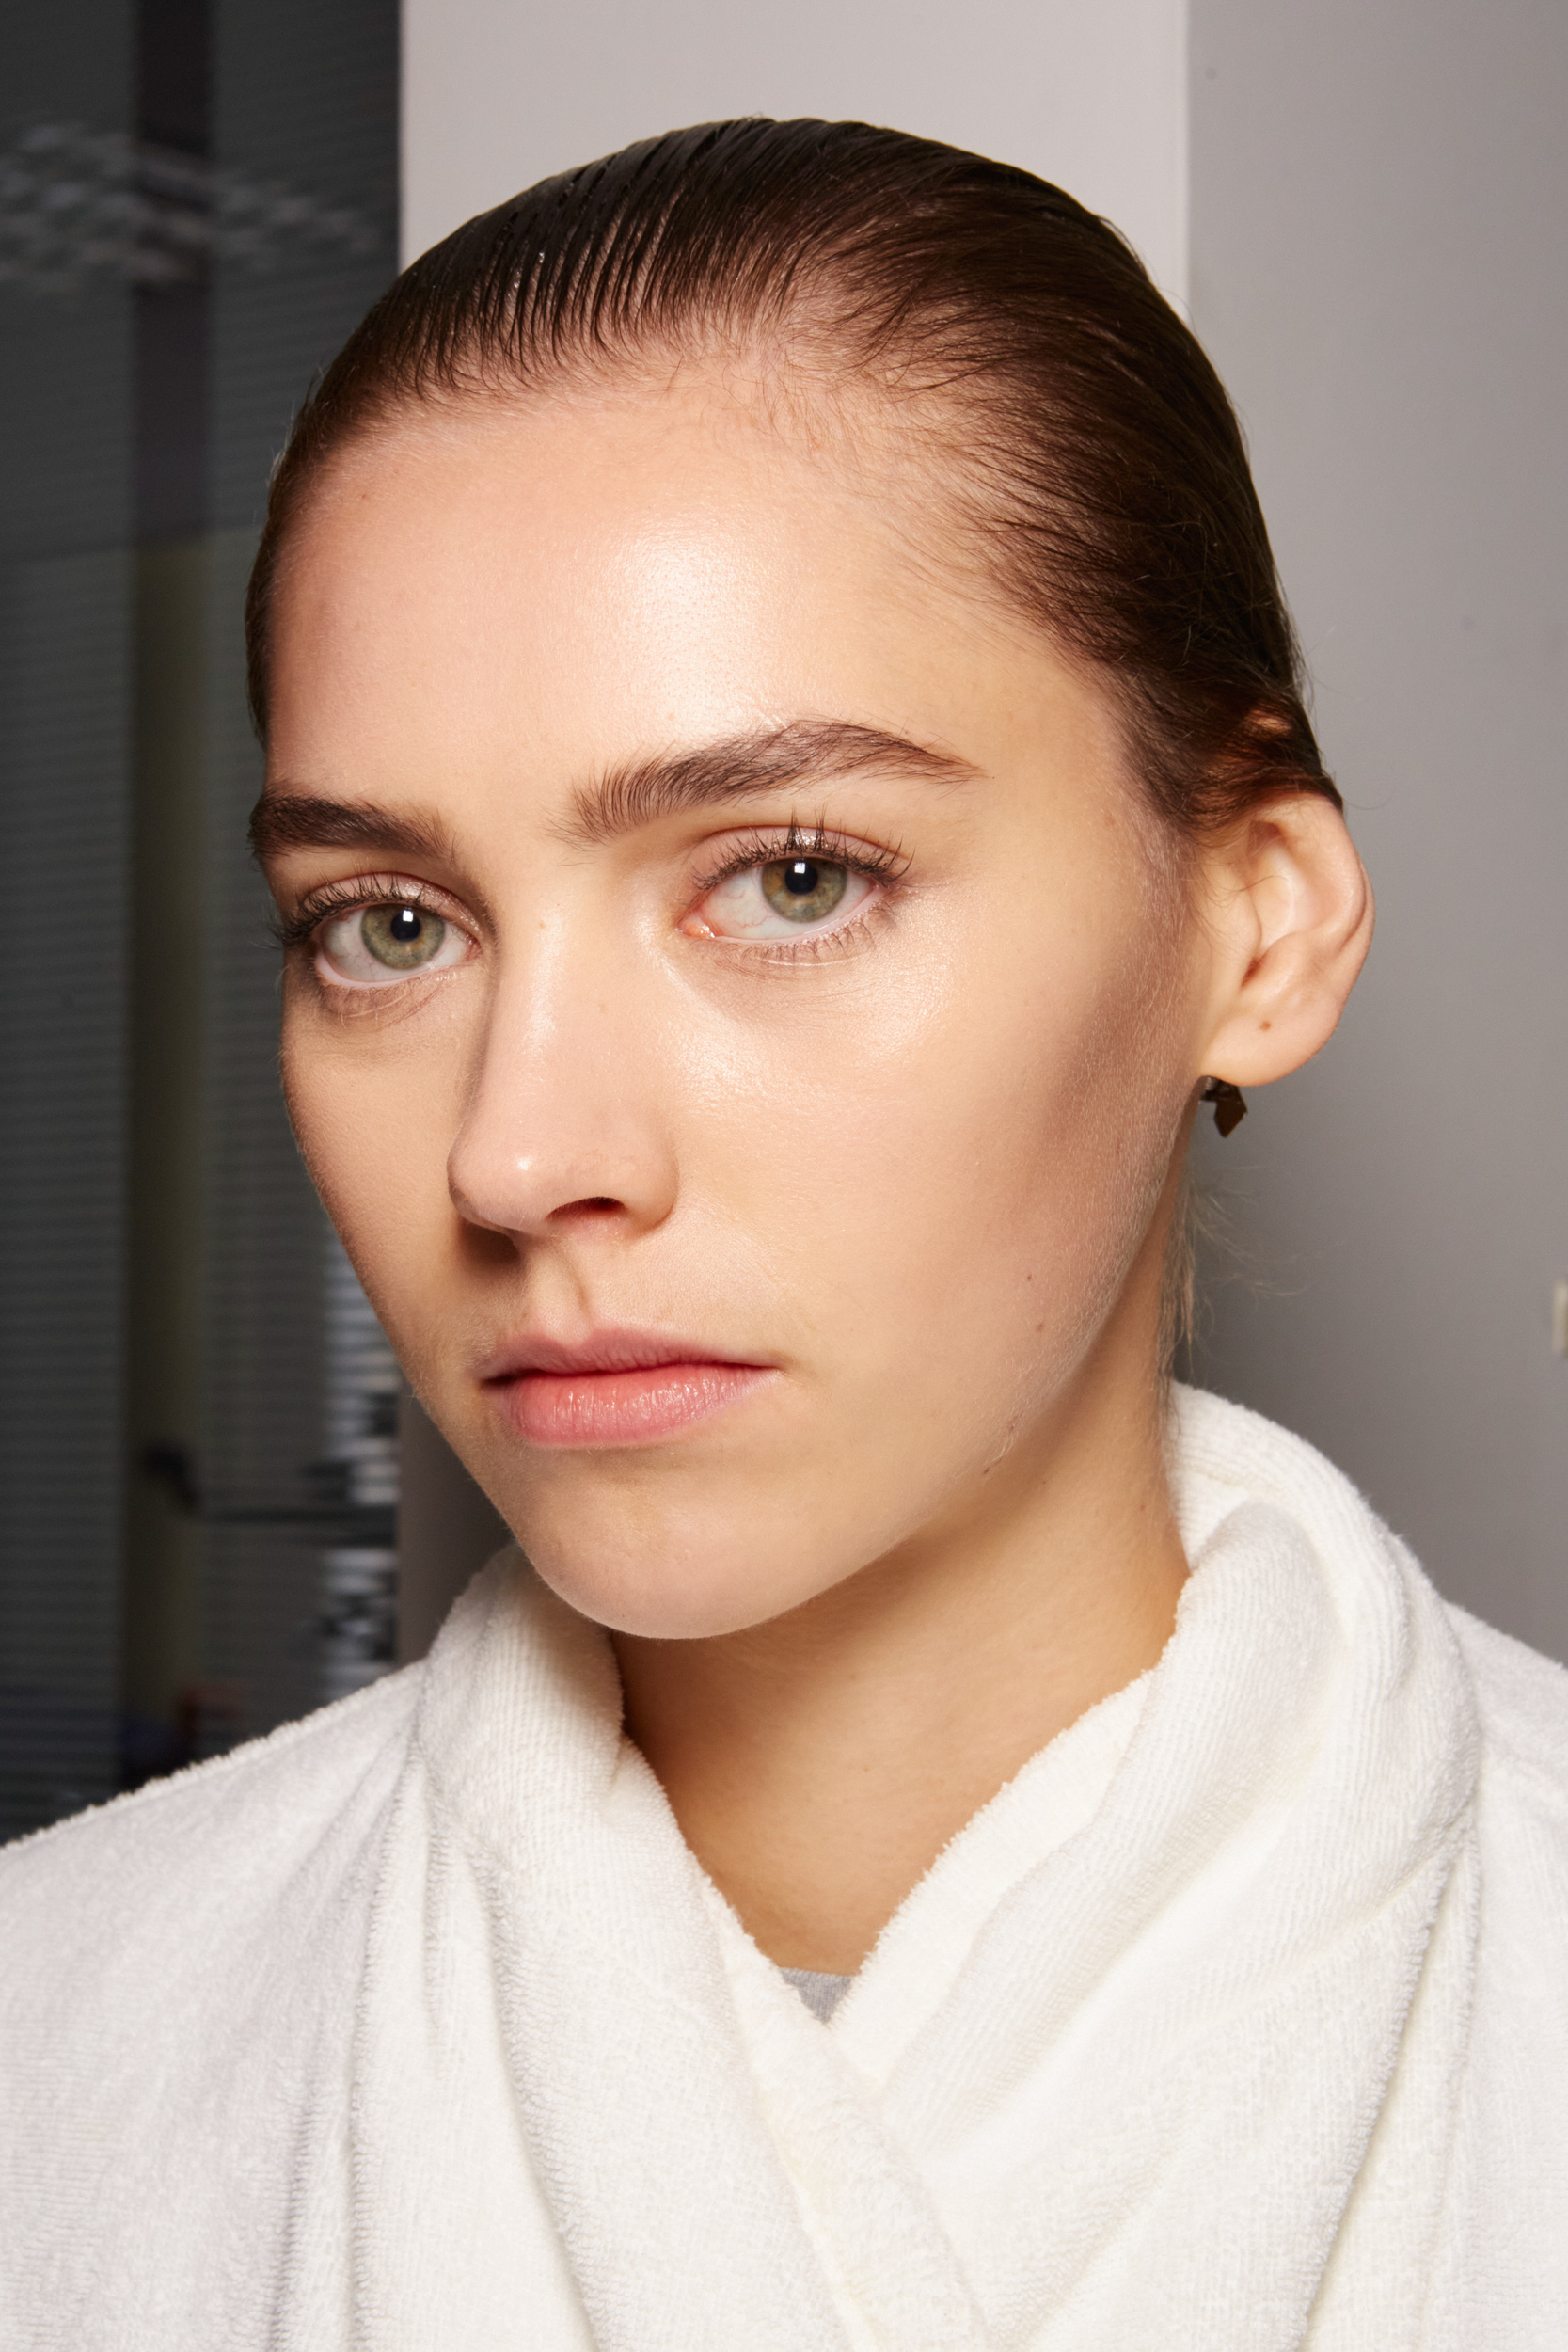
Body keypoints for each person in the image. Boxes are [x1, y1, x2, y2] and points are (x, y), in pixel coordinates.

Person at [3, 118, 1564, 2350]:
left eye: (793, 876)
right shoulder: (57, 2044)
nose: (518, 1155)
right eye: (390, 922)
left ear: (1257, 924)